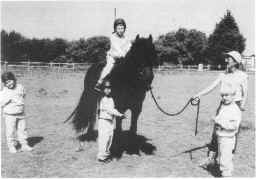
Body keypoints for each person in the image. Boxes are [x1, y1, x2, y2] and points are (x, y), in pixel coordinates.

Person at [193, 51, 248, 166]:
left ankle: (227, 160)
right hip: (222, 107)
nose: (226, 60)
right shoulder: (223, 75)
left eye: (229, 58)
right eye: (226, 58)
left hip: (235, 107)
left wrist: (242, 106)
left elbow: (245, 92)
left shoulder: (243, 76)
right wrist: (198, 94)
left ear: (235, 61)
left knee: (232, 133)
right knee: (216, 133)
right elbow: (212, 86)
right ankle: (211, 159)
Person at [95, 18, 131, 91]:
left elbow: (129, 46)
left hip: (124, 58)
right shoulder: (113, 37)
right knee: (108, 68)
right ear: (115, 29)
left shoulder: (126, 38)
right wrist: (123, 54)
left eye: (122, 28)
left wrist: (128, 53)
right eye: (118, 28)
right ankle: (99, 82)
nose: (120, 30)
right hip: (113, 57)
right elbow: (116, 48)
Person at [0, 72, 33, 153]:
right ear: (4, 83)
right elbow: (1, 103)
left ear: (14, 79)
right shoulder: (4, 92)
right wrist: (9, 99)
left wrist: (19, 102)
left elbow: (23, 95)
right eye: (6, 82)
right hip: (10, 115)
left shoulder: (20, 87)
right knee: (10, 131)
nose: (9, 84)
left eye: (10, 81)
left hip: (21, 113)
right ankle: (11, 146)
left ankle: (24, 145)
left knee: (22, 130)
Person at [213, 84, 241, 177]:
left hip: (228, 138)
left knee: (225, 160)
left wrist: (218, 121)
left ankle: (226, 175)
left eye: (227, 95)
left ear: (234, 96)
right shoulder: (224, 106)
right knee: (222, 158)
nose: (224, 98)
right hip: (221, 136)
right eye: (222, 95)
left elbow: (233, 126)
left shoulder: (234, 109)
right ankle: (226, 172)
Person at [97, 81, 124, 162]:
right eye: (106, 88)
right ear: (102, 89)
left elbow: (113, 109)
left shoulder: (111, 99)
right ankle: (101, 157)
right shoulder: (102, 99)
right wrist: (120, 115)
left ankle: (106, 155)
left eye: (109, 88)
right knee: (104, 139)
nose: (108, 90)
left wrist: (119, 113)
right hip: (103, 121)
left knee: (110, 138)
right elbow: (110, 110)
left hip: (110, 121)